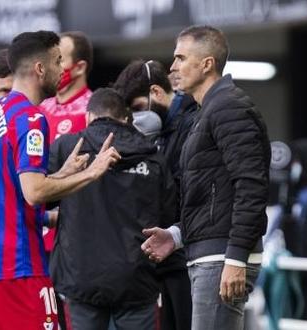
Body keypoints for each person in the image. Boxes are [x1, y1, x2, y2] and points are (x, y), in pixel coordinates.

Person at [0, 30, 120, 330]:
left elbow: (4, 191)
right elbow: (34, 192)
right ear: (40, 68)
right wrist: (91, 172)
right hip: (15, 267)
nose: (62, 70)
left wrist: (61, 174)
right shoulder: (31, 118)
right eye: (58, 61)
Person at [141, 25, 271, 330]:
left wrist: (236, 258)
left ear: (207, 64)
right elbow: (214, 196)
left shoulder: (228, 107)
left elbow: (250, 185)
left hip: (223, 257)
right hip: (211, 254)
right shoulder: (207, 111)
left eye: (181, 58)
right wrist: (175, 236)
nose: (172, 67)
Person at [48, 88, 177, 330]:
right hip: (138, 279)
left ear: (88, 117)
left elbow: (40, 196)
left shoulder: (68, 148)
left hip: (80, 278)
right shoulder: (153, 157)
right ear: (127, 119)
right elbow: (169, 217)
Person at [113, 59, 198, 330]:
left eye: (138, 108)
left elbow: (190, 193)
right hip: (162, 259)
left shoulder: (193, 125)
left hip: (188, 257)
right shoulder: (155, 135)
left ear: (157, 93)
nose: (136, 118)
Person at [40, 31, 94, 256]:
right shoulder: (38, 108)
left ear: (79, 67)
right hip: (37, 229)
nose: (53, 65)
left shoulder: (92, 110)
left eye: (60, 59)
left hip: (75, 233)